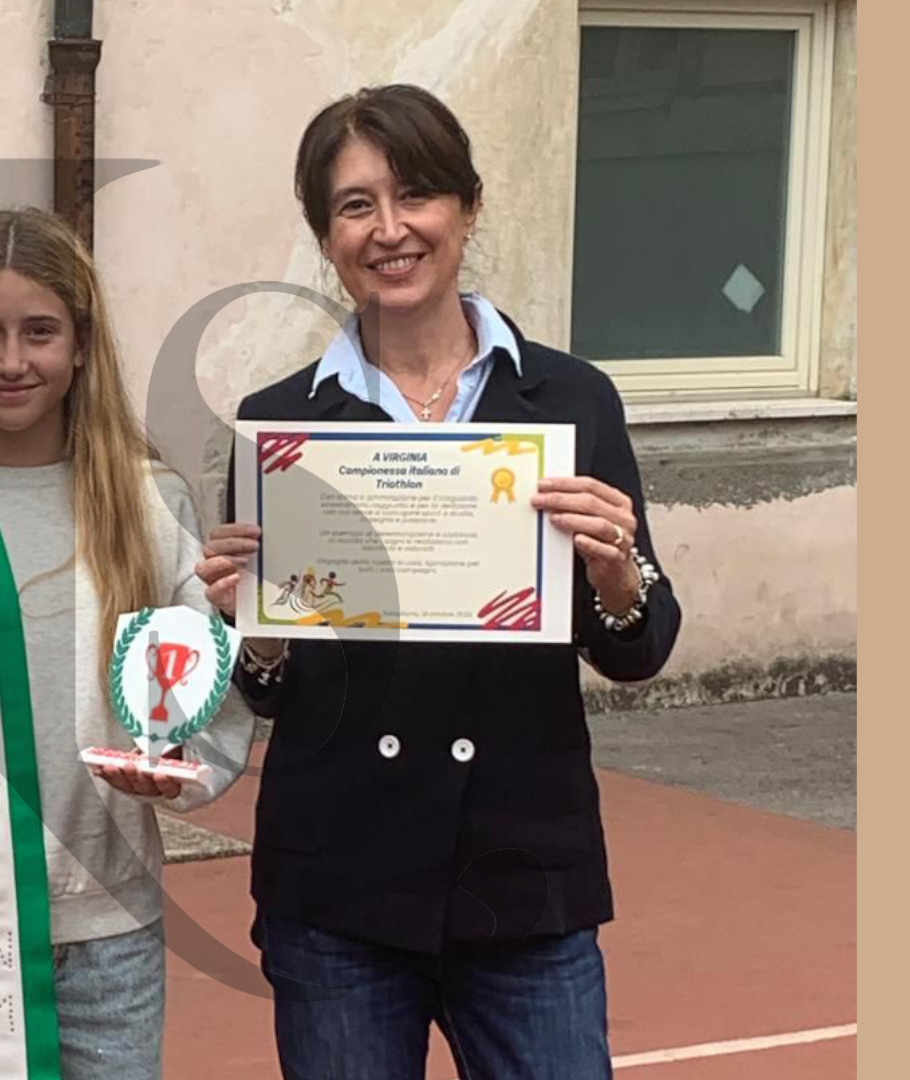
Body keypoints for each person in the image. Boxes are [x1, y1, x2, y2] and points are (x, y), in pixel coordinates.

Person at [197, 84, 683, 1079]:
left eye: (414, 194)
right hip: (338, 885)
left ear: (467, 206)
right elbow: (271, 687)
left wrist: (615, 575)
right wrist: (258, 630)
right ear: (325, 236)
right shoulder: (283, 424)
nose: (390, 230)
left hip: (523, 875)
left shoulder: (570, 399)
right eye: (355, 205)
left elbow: (638, 646)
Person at [0, 207, 259, 1080]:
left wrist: (178, 760)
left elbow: (197, 694)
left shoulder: (147, 502)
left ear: (81, 344)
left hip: (107, 927)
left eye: (40, 331)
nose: (11, 360)